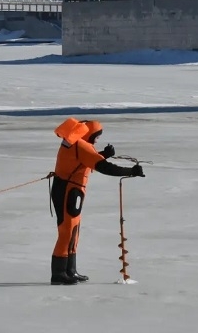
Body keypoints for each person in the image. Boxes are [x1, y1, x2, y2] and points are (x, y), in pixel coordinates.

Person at [49, 117, 144, 285]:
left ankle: (70, 270)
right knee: (67, 231)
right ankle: (59, 273)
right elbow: (105, 167)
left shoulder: (74, 143)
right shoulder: (81, 146)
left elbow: (83, 161)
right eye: (96, 137)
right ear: (90, 135)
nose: (97, 140)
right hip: (68, 191)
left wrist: (104, 154)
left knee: (73, 230)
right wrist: (131, 171)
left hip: (68, 190)